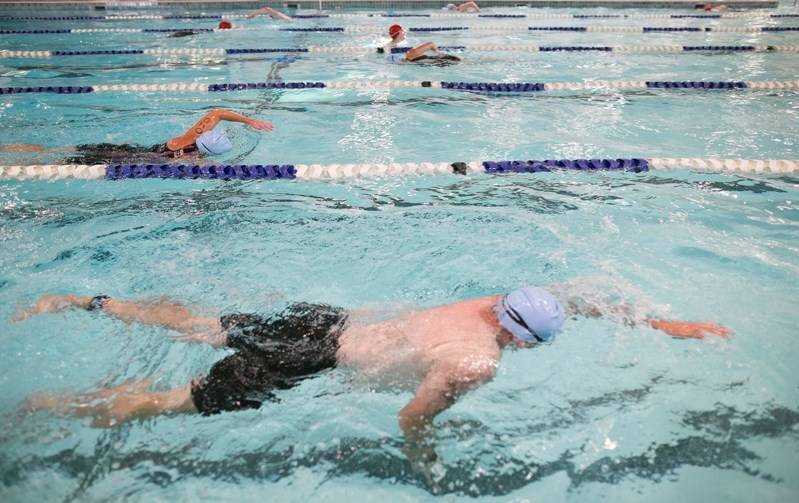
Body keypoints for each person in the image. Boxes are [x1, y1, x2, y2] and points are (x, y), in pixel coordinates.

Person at [16, 285, 729, 473]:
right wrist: (426, 460)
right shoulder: (476, 362)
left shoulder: (485, 302)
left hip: (323, 321)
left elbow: (582, 296)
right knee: (174, 402)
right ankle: (40, 405)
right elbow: (410, 419)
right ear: (522, 337)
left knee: (199, 323)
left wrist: (668, 325)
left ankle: (88, 303)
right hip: (310, 362)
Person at [0, 109, 273, 165]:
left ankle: (7, 148)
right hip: (119, 160)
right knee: (56, 164)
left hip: (120, 147)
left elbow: (217, 112)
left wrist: (249, 119)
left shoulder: (189, 136)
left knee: (50, 151)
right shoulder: (190, 160)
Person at [381, 24, 461, 65]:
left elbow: (431, 43)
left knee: (463, 62)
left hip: (445, 60)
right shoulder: (411, 61)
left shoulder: (411, 53)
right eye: (402, 31)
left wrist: (440, 53)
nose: (405, 33)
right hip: (441, 62)